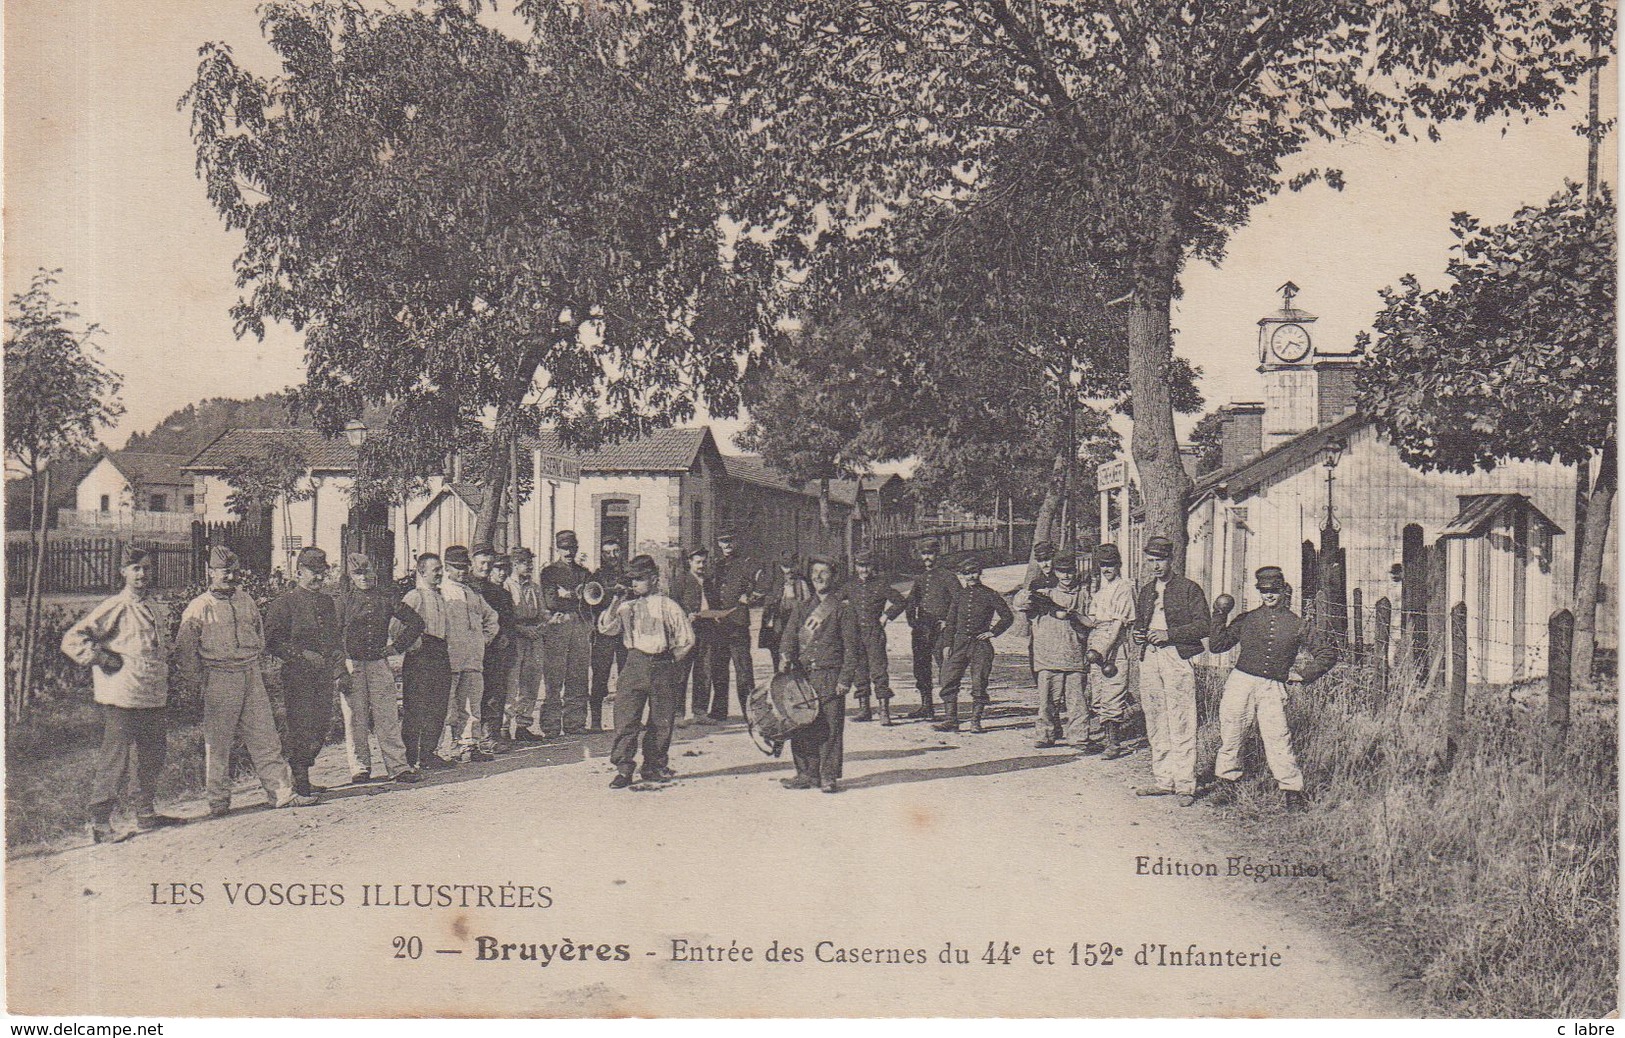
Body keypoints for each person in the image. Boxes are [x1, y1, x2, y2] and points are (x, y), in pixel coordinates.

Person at [175, 546, 317, 815]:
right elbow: (185, 649)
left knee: (266, 736)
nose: (230, 576)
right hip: (219, 675)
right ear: (211, 573)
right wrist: (196, 681)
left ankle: (281, 793)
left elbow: (259, 634)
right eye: (224, 571)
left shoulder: (246, 600)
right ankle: (218, 801)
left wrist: (254, 661)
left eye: (233, 571)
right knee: (218, 742)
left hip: (250, 673)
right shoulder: (199, 607)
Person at [61, 545, 184, 842]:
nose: (142, 574)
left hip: (151, 694)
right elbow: (73, 639)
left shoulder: (153, 606)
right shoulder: (116, 605)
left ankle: (145, 813)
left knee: (152, 755)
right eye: (136, 568)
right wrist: (102, 658)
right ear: (124, 573)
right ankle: (100, 824)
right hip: (123, 696)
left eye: (147, 568)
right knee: (114, 759)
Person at [1206, 567, 1337, 811]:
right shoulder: (1247, 619)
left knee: (1278, 738)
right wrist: (1219, 615)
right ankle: (1226, 782)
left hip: (1273, 688)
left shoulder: (1298, 624)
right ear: (1259, 591)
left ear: (1283, 591)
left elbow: (1327, 653)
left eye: (1274, 590)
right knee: (1232, 731)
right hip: (1241, 682)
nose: (1269, 595)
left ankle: (1291, 791)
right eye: (1264, 591)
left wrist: (1304, 674)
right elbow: (1217, 645)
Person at [597, 554, 696, 788]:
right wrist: (614, 602)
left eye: (639, 579)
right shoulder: (626, 607)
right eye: (632, 579)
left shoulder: (668, 605)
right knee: (626, 718)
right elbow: (606, 629)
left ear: (653, 579)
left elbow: (687, 639)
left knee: (661, 720)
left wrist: (671, 660)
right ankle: (623, 769)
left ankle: (653, 766)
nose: (634, 584)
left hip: (662, 664)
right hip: (634, 663)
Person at [1131, 534, 1211, 807]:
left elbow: (1204, 626)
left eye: (1160, 560)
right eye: (1151, 561)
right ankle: (1164, 779)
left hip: (1177, 656)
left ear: (1170, 560)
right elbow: (1139, 624)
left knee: (1182, 717)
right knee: (1155, 717)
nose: (1155, 566)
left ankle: (1185, 784)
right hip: (1149, 659)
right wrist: (1138, 636)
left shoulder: (1189, 589)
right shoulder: (1145, 591)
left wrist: (1170, 634)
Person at [335, 553, 425, 784]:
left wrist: (396, 647)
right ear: (351, 576)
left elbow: (416, 622)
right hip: (352, 663)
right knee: (355, 717)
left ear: (375, 571)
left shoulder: (387, 598)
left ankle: (398, 766)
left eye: (367, 571)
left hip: (378, 663)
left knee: (387, 715)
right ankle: (360, 767)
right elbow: (331, 637)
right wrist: (339, 671)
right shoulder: (343, 601)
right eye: (358, 573)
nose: (364, 577)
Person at [263, 546, 342, 797]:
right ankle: (301, 779)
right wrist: (302, 655)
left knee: (321, 726)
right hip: (298, 675)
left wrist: (336, 654)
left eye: (322, 572)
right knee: (301, 726)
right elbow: (272, 641)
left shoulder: (327, 603)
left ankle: (302, 772)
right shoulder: (284, 603)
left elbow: (332, 636)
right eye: (314, 572)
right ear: (299, 573)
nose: (319, 577)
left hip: (324, 674)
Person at [778, 556, 859, 793]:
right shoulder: (802, 608)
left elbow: (852, 649)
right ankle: (805, 773)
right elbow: (789, 638)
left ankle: (828, 776)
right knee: (800, 725)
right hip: (803, 676)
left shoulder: (843, 609)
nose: (819, 577)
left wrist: (845, 679)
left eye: (824, 572)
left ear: (833, 576)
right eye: (815, 572)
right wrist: (785, 655)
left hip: (830, 676)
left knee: (830, 728)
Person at [932, 555, 1016, 734]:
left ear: (980, 573)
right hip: (959, 643)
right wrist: (947, 644)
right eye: (966, 573)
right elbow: (951, 622)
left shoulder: (990, 594)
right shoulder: (959, 596)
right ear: (962, 575)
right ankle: (951, 719)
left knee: (979, 682)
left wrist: (993, 632)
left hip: (980, 644)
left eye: (974, 573)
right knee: (948, 679)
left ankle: (975, 721)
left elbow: (1008, 616)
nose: (971, 577)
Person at [1019, 550, 1094, 749]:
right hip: (1047, 656)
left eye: (1069, 571)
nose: (1066, 576)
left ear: (1075, 572)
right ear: (1056, 572)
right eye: (1061, 572)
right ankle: (1045, 734)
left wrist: (1076, 616)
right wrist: (1033, 596)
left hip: (1074, 655)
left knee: (1077, 701)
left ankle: (1078, 737)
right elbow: (1020, 603)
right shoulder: (1045, 593)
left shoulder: (1083, 594)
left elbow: (1092, 619)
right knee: (1047, 701)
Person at [437, 544, 500, 763]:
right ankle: (444, 748)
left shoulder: (472, 593)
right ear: (446, 567)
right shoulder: (442, 592)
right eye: (456, 567)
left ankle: (469, 746)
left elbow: (491, 617)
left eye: (464, 567)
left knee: (471, 705)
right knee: (447, 706)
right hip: (450, 658)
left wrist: (484, 639)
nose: (461, 572)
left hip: (473, 659)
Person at [397, 553, 455, 771]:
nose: (440, 573)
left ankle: (429, 753)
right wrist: (413, 644)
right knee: (416, 707)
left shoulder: (440, 597)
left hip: (439, 652)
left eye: (441, 569)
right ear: (421, 572)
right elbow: (396, 625)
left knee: (438, 705)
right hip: (420, 657)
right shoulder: (414, 596)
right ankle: (410, 758)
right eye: (435, 570)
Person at [537, 530, 593, 735]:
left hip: (579, 623)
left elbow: (591, 598)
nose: (568, 552)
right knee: (554, 675)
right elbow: (551, 601)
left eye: (571, 548)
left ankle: (575, 723)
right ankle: (551, 726)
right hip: (558, 623)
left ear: (576, 548)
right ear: (558, 549)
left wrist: (568, 595)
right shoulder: (549, 572)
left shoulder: (584, 573)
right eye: (564, 548)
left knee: (578, 674)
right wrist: (573, 595)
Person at [1083, 543, 1136, 759]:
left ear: (1119, 565)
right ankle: (1107, 739)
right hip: (1097, 640)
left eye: (1111, 565)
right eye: (1103, 565)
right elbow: (1092, 621)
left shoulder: (1124, 587)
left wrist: (1103, 650)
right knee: (1098, 694)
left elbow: (1117, 625)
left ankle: (1114, 744)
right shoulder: (1101, 591)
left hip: (1114, 645)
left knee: (1113, 692)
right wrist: (1072, 614)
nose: (1106, 569)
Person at [845, 550, 908, 724]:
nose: (864, 570)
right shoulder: (850, 586)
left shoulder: (880, 584)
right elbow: (835, 602)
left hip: (874, 633)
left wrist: (886, 616)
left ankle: (883, 711)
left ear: (872, 566)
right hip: (855, 634)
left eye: (867, 566)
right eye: (860, 566)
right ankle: (864, 709)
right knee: (860, 671)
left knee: (879, 671)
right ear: (856, 566)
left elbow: (900, 601)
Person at [902, 538, 960, 720]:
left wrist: (948, 623)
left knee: (946, 669)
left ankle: (950, 712)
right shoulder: (920, 579)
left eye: (931, 553)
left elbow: (959, 602)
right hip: (922, 630)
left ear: (938, 554)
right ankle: (926, 706)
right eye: (924, 553)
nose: (927, 557)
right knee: (921, 668)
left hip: (941, 631)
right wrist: (913, 621)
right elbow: (911, 602)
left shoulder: (948, 576)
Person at [710, 530, 764, 720]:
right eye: (723, 542)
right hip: (718, 626)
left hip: (738, 625)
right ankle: (719, 711)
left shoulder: (746, 563)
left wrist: (750, 599)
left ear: (736, 541)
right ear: (718, 544)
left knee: (743, 670)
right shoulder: (716, 565)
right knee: (718, 669)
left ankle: (749, 711)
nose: (727, 546)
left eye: (730, 541)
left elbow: (764, 581)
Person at [671, 547, 727, 723]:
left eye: (704, 562)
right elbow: (673, 606)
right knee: (681, 673)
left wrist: (717, 614)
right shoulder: (681, 581)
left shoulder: (709, 581)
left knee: (704, 670)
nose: (702, 565)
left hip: (707, 630)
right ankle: (678, 714)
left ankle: (700, 712)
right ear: (690, 562)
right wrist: (686, 615)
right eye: (698, 562)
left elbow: (715, 602)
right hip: (687, 632)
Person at [475, 547, 517, 754]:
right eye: (483, 564)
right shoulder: (472, 589)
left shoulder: (502, 593)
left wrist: (504, 639)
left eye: (489, 564)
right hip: (477, 649)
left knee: (496, 692)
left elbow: (508, 622)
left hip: (498, 651)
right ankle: (475, 738)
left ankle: (491, 734)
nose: (487, 568)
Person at [505, 547, 547, 742]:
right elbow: (506, 617)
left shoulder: (534, 587)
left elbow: (542, 611)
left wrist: (545, 623)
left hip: (535, 637)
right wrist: (522, 630)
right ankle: (504, 727)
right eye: (525, 562)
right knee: (511, 683)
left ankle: (523, 725)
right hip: (515, 637)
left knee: (531, 682)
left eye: (530, 562)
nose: (529, 566)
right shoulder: (507, 586)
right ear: (514, 564)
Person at [588, 538, 628, 731]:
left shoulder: (629, 575)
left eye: (616, 551)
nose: (612, 556)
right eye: (607, 552)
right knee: (600, 675)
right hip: (604, 632)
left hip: (625, 631)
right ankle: (596, 721)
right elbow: (590, 602)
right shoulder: (596, 576)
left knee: (626, 676)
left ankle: (623, 721)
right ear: (602, 555)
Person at [759, 553, 811, 672]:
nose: (789, 575)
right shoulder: (774, 582)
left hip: (795, 622)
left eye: (791, 571)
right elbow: (765, 598)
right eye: (785, 571)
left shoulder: (801, 583)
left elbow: (807, 604)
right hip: (778, 622)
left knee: (796, 652)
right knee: (776, 650)